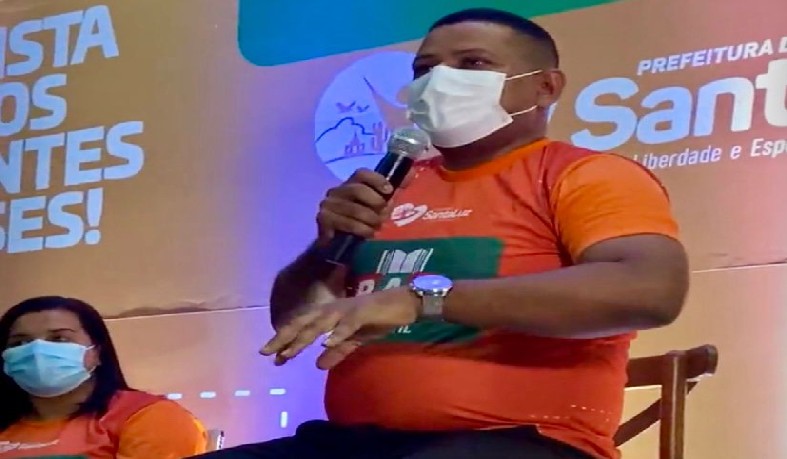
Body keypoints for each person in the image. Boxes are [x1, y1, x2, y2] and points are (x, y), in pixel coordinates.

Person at [196, 7, 688, 459]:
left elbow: (650, 291)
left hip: (524, 441)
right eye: (424, 70)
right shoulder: (388, 185)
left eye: (472, 64)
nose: (438, 82)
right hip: (356, 444)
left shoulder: (581, 174)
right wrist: (324, 250)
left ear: (545, 88)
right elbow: (295, 323)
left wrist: (425, 300)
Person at [0, 296, 208, 458]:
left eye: (59, 338)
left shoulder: (148, 417)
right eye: (19, 343)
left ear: (97, 352)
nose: (37, 351)